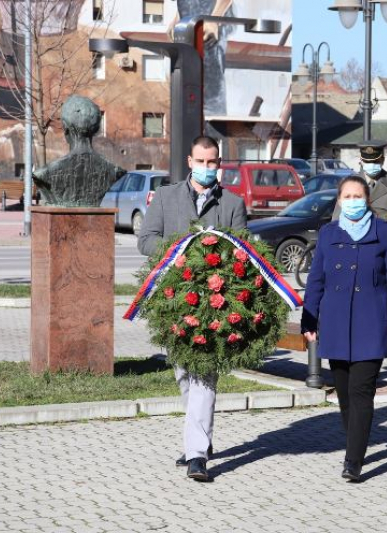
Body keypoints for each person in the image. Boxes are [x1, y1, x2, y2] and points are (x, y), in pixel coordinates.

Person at [138, 135, 246, 481]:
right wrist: (180, 251)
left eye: (212, 162)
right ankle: (199, 437)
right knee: (184, 373)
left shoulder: (232, 203)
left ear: (219, 164)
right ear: (189, 162)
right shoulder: (166, 197)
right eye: (200, 162)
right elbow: (146, 239)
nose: (206, 168)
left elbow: (243, 252)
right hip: (173, 301)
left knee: (203, 374)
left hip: (215, 305)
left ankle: (197, 454)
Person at [301, 175, 387, 482]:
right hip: (335, 323)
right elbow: (316, 280)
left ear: (368, 200)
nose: (352, 201)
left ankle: (353, 460)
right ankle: (357, 440)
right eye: (346, 196)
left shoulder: (385, 232)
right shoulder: (327, 233)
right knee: (346, 396)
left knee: (362, 392)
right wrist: (309, 319)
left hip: (372, 323)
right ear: (338, 201)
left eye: (357, 196)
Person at [333, 140, 387, 220]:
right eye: (367, 162)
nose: (371, 165)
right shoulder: (348, 185)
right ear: (361, 160)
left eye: (375, 162)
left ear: (383, 160)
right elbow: (336, 221)